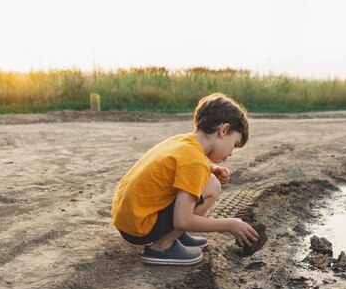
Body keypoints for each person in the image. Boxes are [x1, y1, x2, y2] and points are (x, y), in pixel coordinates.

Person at [111, 93, 259, 265]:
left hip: (128, 219)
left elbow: (175, 166)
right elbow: (183, 220)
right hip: (140, 228)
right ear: (224, 130)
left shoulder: (182, 142)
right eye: (234, 144)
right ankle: (162, 246)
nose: (232, 152)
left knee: (209, 179)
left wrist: (210, 169)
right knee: (212, 186)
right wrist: (230, 224)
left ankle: (176, 235)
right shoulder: (195, 162)